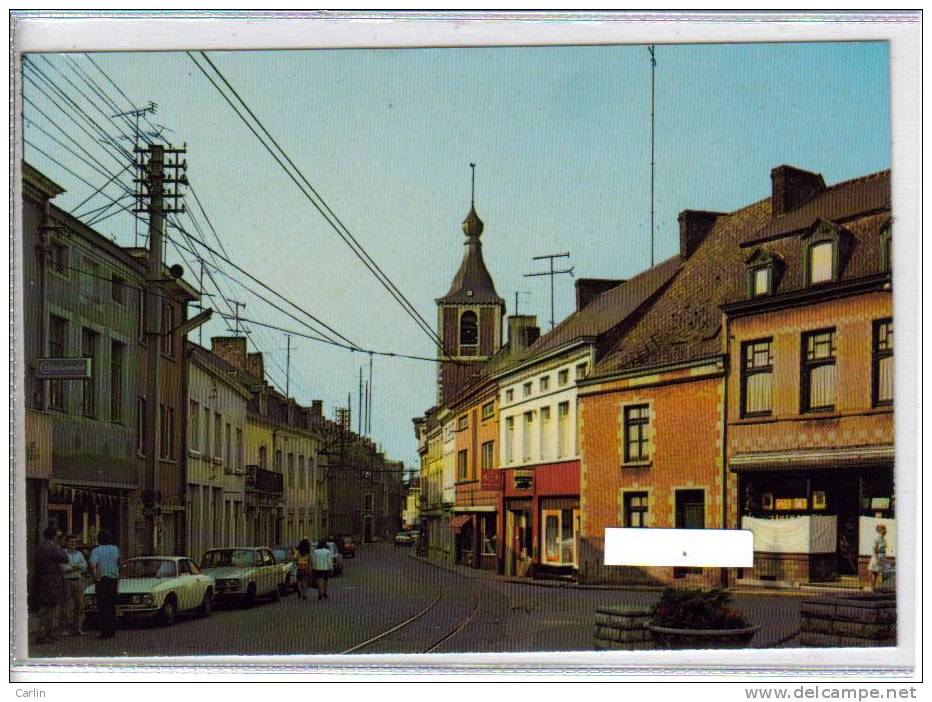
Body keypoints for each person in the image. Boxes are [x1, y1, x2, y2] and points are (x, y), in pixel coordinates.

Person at [34, 525, 68, 644]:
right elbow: (65, 558)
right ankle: (44, 635)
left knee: (46, 608)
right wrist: (59, 546)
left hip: (42, 581)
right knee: (49, 609)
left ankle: (46, 633)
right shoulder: (51, 548)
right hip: (51, 583)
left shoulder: (40, 547)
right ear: (54, 536)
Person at [89, 529, 120, 640]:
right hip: (114, 579)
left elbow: (93, 565)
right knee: (111, 606)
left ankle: (104, 632)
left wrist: (95, 578)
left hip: (102, 580)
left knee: (103, 606)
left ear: (99, 539)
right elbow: (118, 562)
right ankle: (112, 630)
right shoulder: (115, 549)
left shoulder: (96, 550)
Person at [61, 535, 89, 635]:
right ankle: (64, 628)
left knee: (79, 604)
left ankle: (77, 628)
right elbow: (63, 568)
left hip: (78, 580)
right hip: (66, 581)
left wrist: (73, 567)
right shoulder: (63, 553)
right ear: (66, 543)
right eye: (70, 542)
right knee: (66, 605)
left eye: (74, 542)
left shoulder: (79, 554)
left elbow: (85, 566)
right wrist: (77, 567)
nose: (73, 543)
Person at [868, 524, 889, 591]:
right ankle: (872, 588)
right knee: (874, 573)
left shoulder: (883, 539)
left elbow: (883, 549)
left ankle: (874, 588)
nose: (885, 531)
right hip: (877, 557)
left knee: (876, 573)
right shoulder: (877, 538)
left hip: (881, 557)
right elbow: (875, 549)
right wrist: (877, 558)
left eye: (885, 529)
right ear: (880, 530)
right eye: (884, 529)